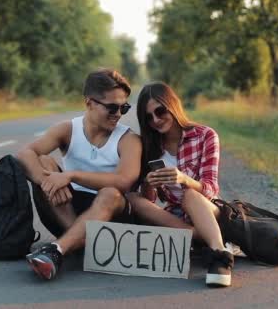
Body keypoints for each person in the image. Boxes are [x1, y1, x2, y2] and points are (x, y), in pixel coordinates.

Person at [16, 69, 142, 281]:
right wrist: (46, 181)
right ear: (89, 103)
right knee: (44, 163)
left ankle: (58, 250)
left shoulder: (128, 139)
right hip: (66, 209)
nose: (118, 114)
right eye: (112, 107)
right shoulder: (67, 129)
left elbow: (124, 181)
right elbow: (24, 154)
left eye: (124, 107)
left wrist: (71, 176)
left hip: (110, 214)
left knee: (111, 193)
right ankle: (79, 243)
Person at [125, 82, 234, 287]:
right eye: (149, 117)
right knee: (132, 198)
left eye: (160, 111)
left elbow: (210, 189)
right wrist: (148, 183)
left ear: (173, 105)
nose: (156, 120)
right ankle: (200, 239)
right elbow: (150, 201)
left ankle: (220, 255)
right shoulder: (149, 146)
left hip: (208, 210)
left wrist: (184, 179)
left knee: (190, 195)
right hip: (176, 216)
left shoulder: (205, 136)